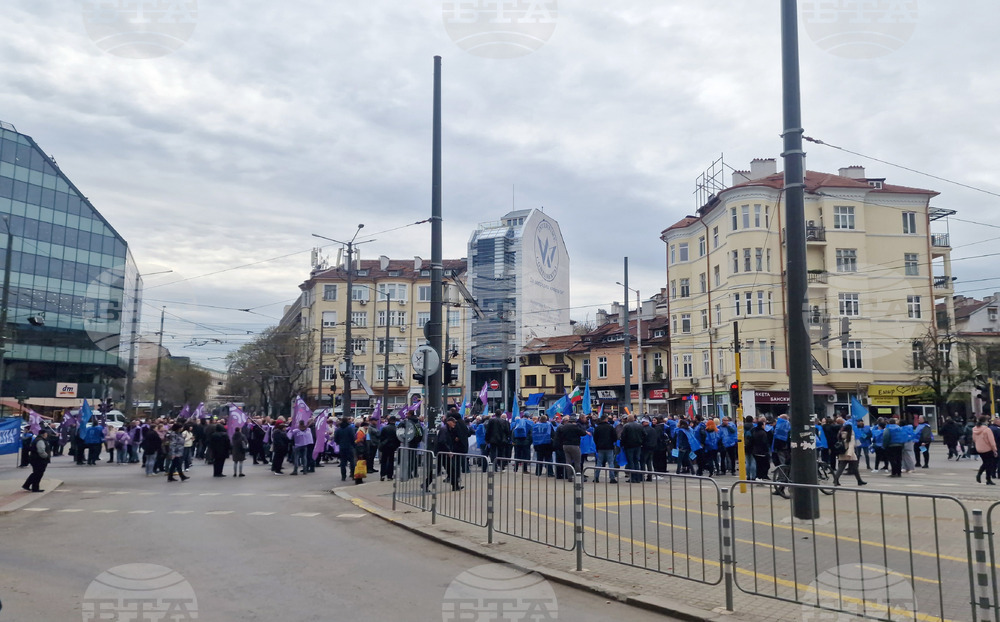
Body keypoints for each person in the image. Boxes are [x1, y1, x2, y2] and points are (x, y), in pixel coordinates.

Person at [833, 421, 867, 487]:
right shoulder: (850, 436)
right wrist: (849, 454)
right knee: (855, 468)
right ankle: (859, 481)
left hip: (842, 453)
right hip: (850, 454)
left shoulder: (840, 435)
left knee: (840, 468)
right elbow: (851, 446)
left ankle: (836, 479)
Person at [21, 428, 51, 493]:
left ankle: (28, 486)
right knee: (38, 474)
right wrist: (46, 456)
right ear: (43, 434)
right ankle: (33, 487)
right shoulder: (40, 441)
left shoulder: (38, 439)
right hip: (39, 460)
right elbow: (41, 451)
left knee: (36, 473)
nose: (47, 435)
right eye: (46, 433)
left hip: (35, 459)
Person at [592, 415, 618, 483]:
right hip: (609, 447)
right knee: (611, 463)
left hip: (600, 447)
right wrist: (612, 442)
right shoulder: (611, 427)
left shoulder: (597, 428)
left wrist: (598, 444)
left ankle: (596, 477)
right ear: (606, 419)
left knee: (599, 463)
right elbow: (615, 437)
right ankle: (612, 478)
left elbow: (595, 438)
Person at [973, 417, 998, 485]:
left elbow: (974, 439)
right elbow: (991, 441)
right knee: (989, 464)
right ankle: (986, 478)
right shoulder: (987, 430)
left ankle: (983, 476)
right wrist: (994, 450)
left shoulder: (974, 429)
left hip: (979, 448)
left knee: (986, 463)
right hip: (988, 449)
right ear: (985, 421)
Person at [620, 415, 645, 482]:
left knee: (631, 462)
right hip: (638, 445)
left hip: (629, 446)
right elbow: (645, 434)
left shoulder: (626, 426)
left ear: (628, 419)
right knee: (636, 461)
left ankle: (633, 477)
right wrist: (641, 441)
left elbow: (623, 436)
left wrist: (622, 444)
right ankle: (638, 477)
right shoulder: (639, 425)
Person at [379, 415, 401, 481]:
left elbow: (381, 437)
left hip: (385, 446)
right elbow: (398, 438)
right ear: (395, 421)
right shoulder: (397, 429)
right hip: (393, 446)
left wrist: (382, 444)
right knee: (391, 461)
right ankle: (389, 476)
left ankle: (382, 475)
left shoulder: (384, 428)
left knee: (384, 461)